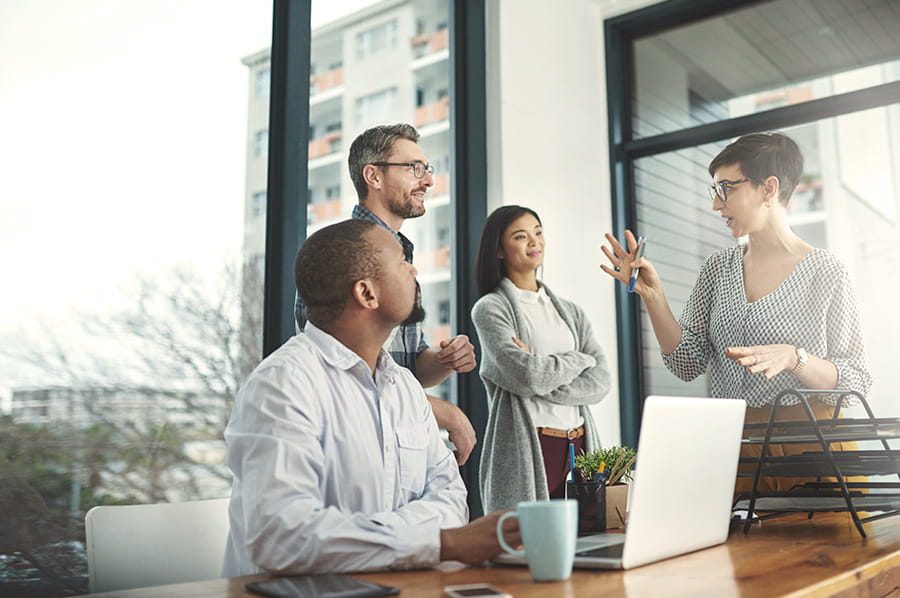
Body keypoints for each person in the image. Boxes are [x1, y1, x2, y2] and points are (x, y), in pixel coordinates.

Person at [223, 219, 519, 576]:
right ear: (367, 294)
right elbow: (283, 538)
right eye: (401, 262)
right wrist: (443, 544)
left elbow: (452, 500)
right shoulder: (282, 384)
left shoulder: (405, 387)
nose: (413, 269)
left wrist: (366, 537)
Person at [601, 131, 871, 494]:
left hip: (813, 448)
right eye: (714, 190)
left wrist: (795, 358)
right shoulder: (717, 269)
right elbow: (686, 363)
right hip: (734, 447)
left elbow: (856, 380)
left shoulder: (827, 271)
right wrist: (653, 296)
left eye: (726, 188)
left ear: (768, 188)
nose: (716, 204)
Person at [295, 123, 477, 466]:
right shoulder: (338, 254)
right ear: (373, 176)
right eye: (414, 169)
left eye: (427, 169)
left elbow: (409, 367)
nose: (428, 181)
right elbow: (342, 377)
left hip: (398, 441)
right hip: (354, 449)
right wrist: (441, 411)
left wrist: (444, 360)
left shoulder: (403, 259)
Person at [471, 205, 612, 513]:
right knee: (530, 547)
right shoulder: (491, 309)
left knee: (589, 544)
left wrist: (542, 368)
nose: (534, 242)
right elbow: (528, 377)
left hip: (579, 442)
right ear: (498, 249)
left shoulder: (571, 311)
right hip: (533, 444)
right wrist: (579, 360)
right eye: (521, 236)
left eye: (538, 232)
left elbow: (601, 382)